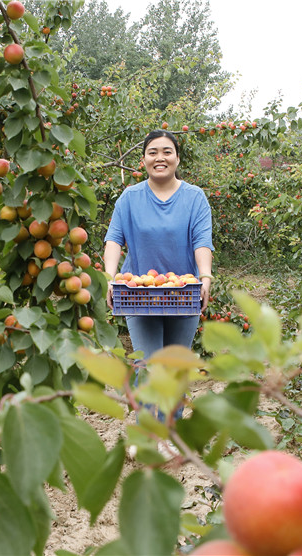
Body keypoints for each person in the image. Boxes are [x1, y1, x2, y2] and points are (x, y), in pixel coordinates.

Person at [103, 129, 214, 426]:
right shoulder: (130, 198)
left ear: (177, 158)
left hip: (182, 294)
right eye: (153, 152)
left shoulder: (194, 198)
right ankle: (148, 432)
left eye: (167, 151)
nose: (160, 157)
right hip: (138, 295)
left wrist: (205, 277)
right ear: (143, 160)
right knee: (148, 365)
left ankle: (171, 430)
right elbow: (114, 239)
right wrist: (109, 276)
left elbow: (202, 241)